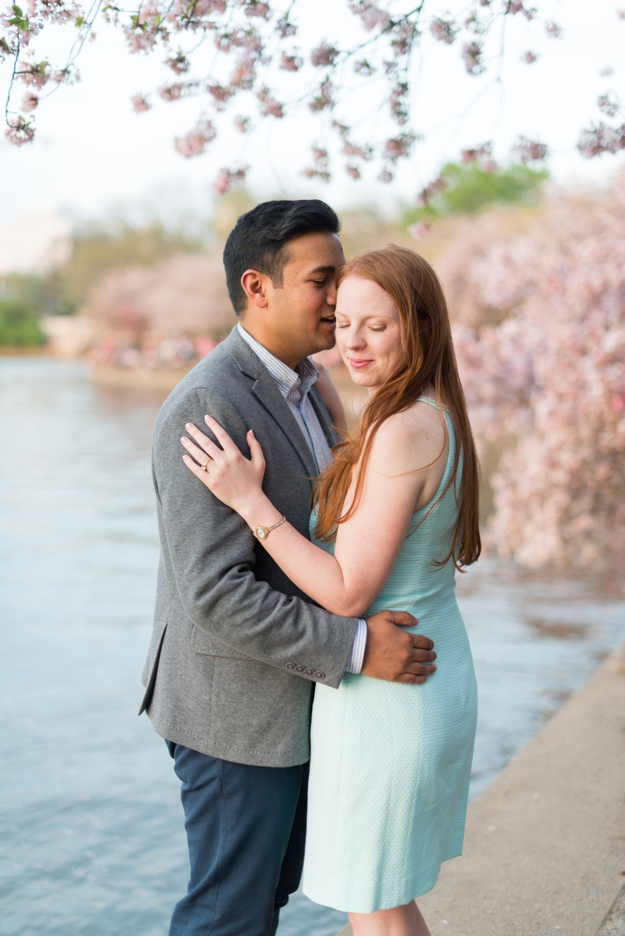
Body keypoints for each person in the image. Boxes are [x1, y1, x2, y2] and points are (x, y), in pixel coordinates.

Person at [139, 200, 439, 936]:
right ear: (257, 286)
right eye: (321, 279)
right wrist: (360, 648)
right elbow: (213, 592)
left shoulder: (312, 385)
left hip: (305, 701)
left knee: (265, 900)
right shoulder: (206, 402)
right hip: (234, 712)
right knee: (228, 916)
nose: (341, 298)